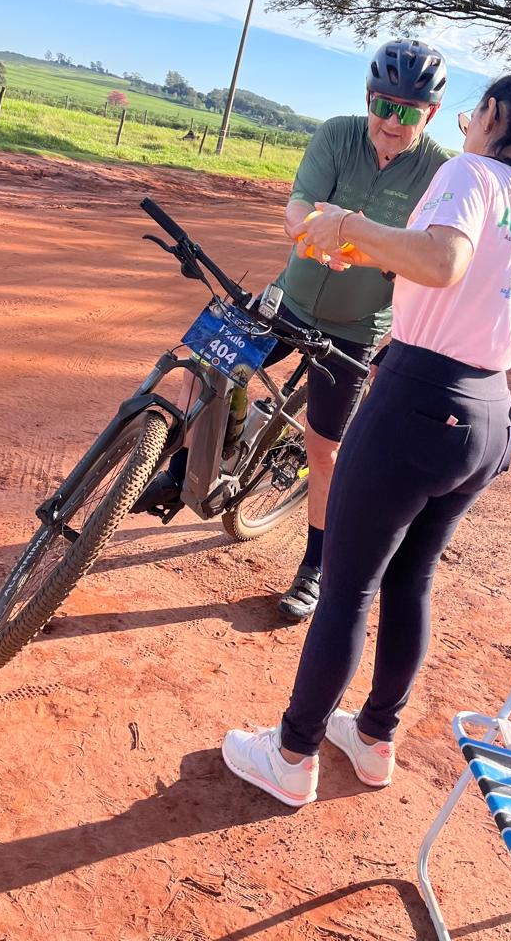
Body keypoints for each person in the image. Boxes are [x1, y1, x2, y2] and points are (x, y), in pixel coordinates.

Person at [221, 70, 511, 806]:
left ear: (492, 116)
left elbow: (443, 262)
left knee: (347, 586)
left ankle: (292, 754)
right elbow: (454, 278)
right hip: (486, 412)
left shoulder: (469, 173)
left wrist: (350, 227)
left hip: (420, 399)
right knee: (410, 580)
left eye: (478, 108)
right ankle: (374, 738)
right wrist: (368, 250)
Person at [136, 39, 449, 621]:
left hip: (356, 329)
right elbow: (300, 204)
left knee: (324, 452)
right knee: (202, 367)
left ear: (430, 114)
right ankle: (179, 472)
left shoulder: (439, 173)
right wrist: (309, 234)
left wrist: (374, 262)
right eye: (383, 106)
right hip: (288, 300)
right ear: (369, 99)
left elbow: (428, 257)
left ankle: (315, 565)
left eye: (407, 112)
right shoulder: (337, 135)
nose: (391, 123)